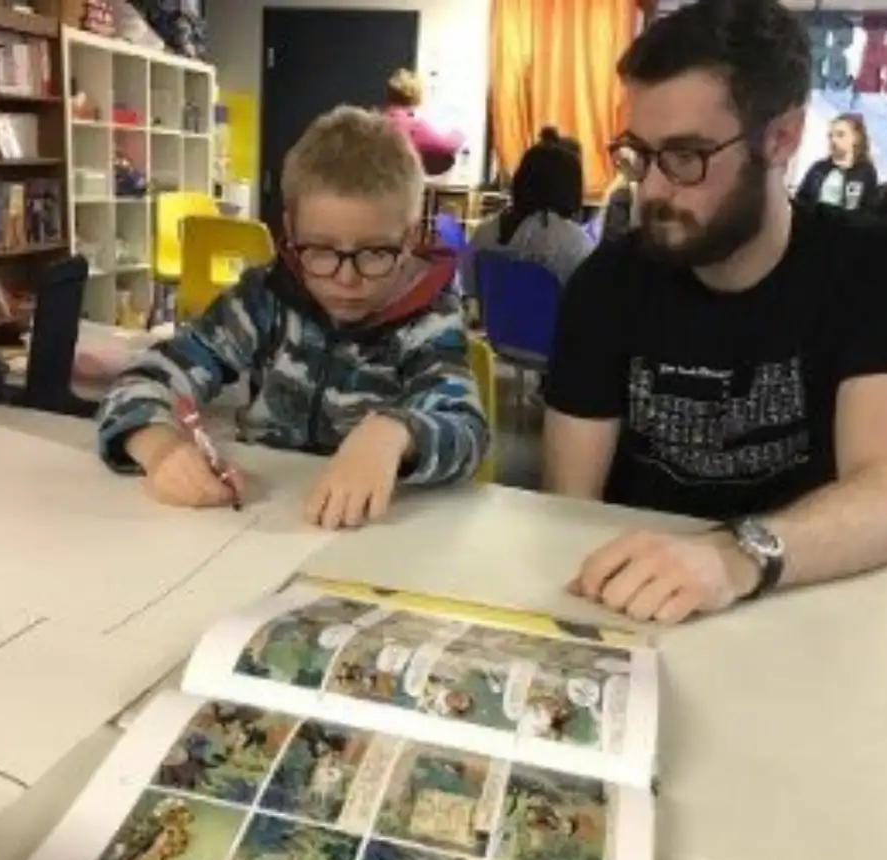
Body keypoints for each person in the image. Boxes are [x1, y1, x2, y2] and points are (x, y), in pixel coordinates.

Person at [541, 0, 887, 624]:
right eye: (639, 155)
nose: (652, 191)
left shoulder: (879, 266)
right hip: (638, 613)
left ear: (781, 138)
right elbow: (569, 512)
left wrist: (732, 559)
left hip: (813, 602)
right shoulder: (606, 284)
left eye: (686, 157)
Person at [96, 105, 488, 530]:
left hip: (378, 532)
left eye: (375, 252)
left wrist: (395, 432)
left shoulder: (428, 320)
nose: (346, 280)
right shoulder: (262, 301)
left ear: (410, 239)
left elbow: (466, 432)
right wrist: (159, 449)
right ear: (290, 230)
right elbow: (143, 380)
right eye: (320, 249)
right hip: (259, 520)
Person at [464, 128, 594, 294]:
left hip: (493, 320)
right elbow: (590, 298)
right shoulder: (572, 242)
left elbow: (469, 287)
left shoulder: (483, 232)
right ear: (570, 187)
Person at [382, 69, 465, 177]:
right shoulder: (413, 126)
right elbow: (444, 146)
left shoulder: (377, 122)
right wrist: (457, 135)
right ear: (416, 97)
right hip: (402, 184)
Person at [794, 112, 879, 211]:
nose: (834, 140)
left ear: (856, 138)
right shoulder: (818, 169)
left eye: (840, 135)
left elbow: (869, 208)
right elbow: (801, 199)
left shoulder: (865, 172)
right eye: (830, 136)